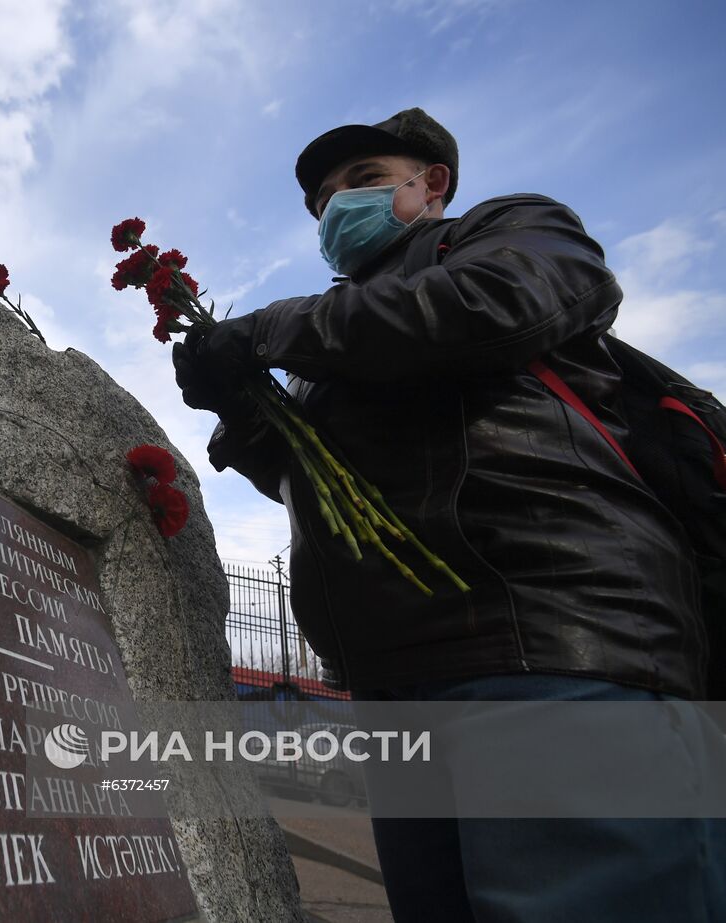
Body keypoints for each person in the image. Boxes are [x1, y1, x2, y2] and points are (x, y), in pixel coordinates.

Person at [172, 108, 725, 921]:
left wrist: (268, 331)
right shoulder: (341, 331)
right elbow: (323, 486)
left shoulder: (509, 232)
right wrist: (248, 412)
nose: (336, 208)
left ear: (431, 185)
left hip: (553, 645)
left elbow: (490, 305)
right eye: (323, 199)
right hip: (399, 686)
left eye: (361, 182)